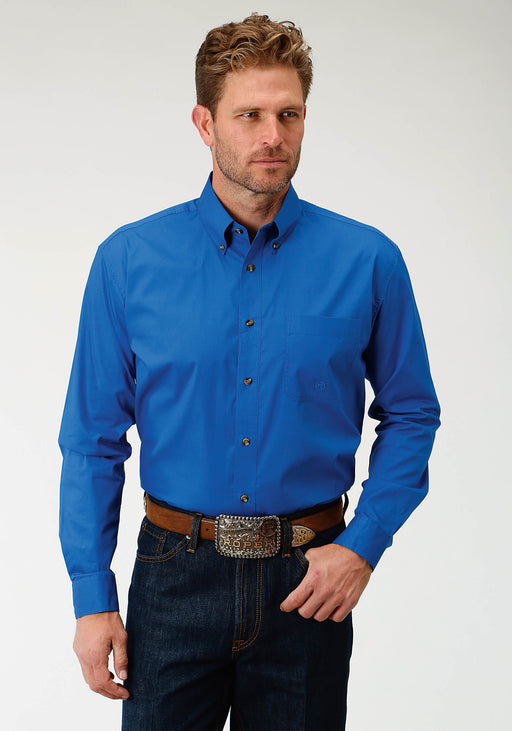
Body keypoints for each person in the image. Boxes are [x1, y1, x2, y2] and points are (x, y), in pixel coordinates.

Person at [59, 13, 440, 730]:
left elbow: (413, 413)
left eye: (289, 114)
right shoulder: (129, 261)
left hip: (309, 582)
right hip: (173, 577)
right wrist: (91, 595)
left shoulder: (368, 261)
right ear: (205, 124)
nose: (273, 135)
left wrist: (362, 545)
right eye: (250, 115)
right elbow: (92, 440)